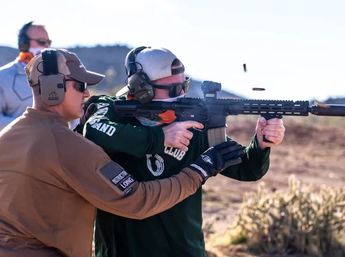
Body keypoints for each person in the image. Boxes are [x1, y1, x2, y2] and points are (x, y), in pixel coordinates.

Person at [0, 48, 245, 257]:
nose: (87, 94)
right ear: (54, 89)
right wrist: (199, 171)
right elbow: (137, 200)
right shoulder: (68, 145)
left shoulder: (8, 136)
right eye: (80, 85)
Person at [81, 46, 286, 257]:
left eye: (183, 86)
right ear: (141, 88)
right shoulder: (111, 110)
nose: (180, 94)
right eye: (172, 89)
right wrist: (160, 138)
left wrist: (261, 143)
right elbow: (94, 130)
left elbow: (247, 169)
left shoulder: (193, 123)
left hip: (184, 250)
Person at [0, 21, 51, 130]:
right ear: (23, 43)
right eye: (41, 42)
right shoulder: (3, 77)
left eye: (48, 42)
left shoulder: (57, 75)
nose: (46, 46)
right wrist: (30, 126)